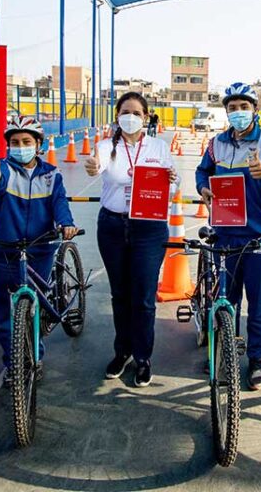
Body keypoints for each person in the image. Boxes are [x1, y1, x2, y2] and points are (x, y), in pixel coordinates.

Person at [84, 92, 179, 387]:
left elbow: (173, 188)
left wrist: (173, 179)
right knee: (120, 294)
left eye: (137, 113)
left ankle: (142, 357)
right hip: (113, 227)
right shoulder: (104, 146)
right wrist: (91, 166)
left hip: (148, 229)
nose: (131, 117)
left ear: (146, 117)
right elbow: (95, 166)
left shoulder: (159, 148)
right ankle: (122, 350)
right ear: (117, 116)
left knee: (143, 296)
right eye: (126, 112)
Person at [196, 82, 261, 391]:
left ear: (254, 110)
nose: (238, 112)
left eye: (244, 107)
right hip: (225, 233)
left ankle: (257, 359)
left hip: (259, 235)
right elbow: (202, 171)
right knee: (227, 299)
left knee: (258, 303)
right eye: (232, 108)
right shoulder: (215, 143)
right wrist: (203, 187)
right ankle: (222, 351)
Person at [0, 115, 78, 385]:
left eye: (26, 141)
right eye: (15, 142)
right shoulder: (1, 168)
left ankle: (34, 356)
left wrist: (66, 223)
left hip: (40, 250)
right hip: (3, 250)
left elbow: (59, 202)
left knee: (34, 307)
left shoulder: (51, 174)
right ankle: (13, 363)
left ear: (38, 144)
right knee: (4, 315)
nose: (20, 146)